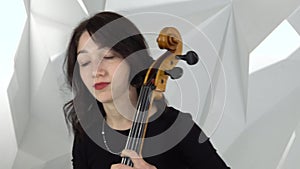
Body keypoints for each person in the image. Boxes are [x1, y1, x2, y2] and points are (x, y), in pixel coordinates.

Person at [63, 11, 230, 169]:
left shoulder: (176, 127)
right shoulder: (87, 135)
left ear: (132, 59)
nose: (96, 71)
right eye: (84, 62)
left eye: (108, 57)